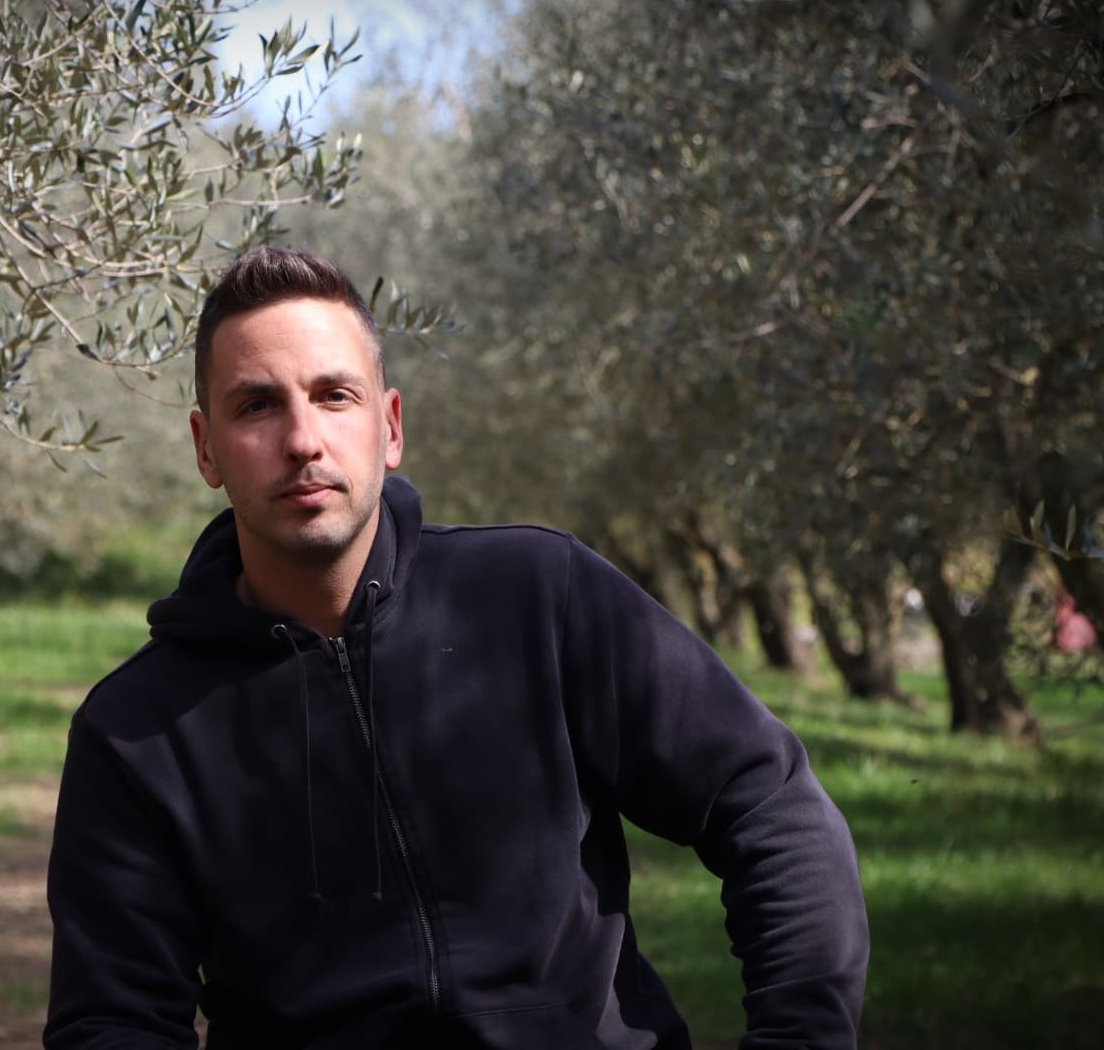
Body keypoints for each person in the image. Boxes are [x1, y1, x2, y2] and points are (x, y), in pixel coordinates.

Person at [45, 247, 869, 1049]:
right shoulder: (136, 731)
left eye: (335, 395)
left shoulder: (538, 596)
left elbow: (770, 805)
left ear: (390, 427)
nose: (303, 440)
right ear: (205, 448)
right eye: (257, 405)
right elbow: (112, 1018)